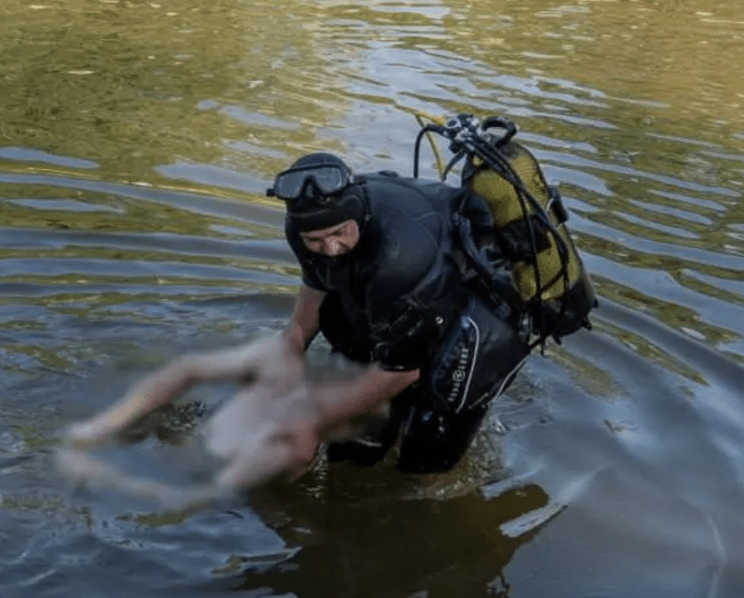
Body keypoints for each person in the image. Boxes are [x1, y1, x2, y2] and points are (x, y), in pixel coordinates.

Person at [64, 123, 593, 492]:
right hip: (418, 300)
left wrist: (303, 420)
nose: (329, 247)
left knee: (425, 449)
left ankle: (425, 514)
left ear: (358, 213)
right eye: (315, 239)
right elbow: (316, 287)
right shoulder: (309, 228)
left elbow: (398, 374)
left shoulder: (398, 259)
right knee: (356, 442)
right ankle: (355, 477)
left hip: (490, 316)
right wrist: (292, 342)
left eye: (339, 233)